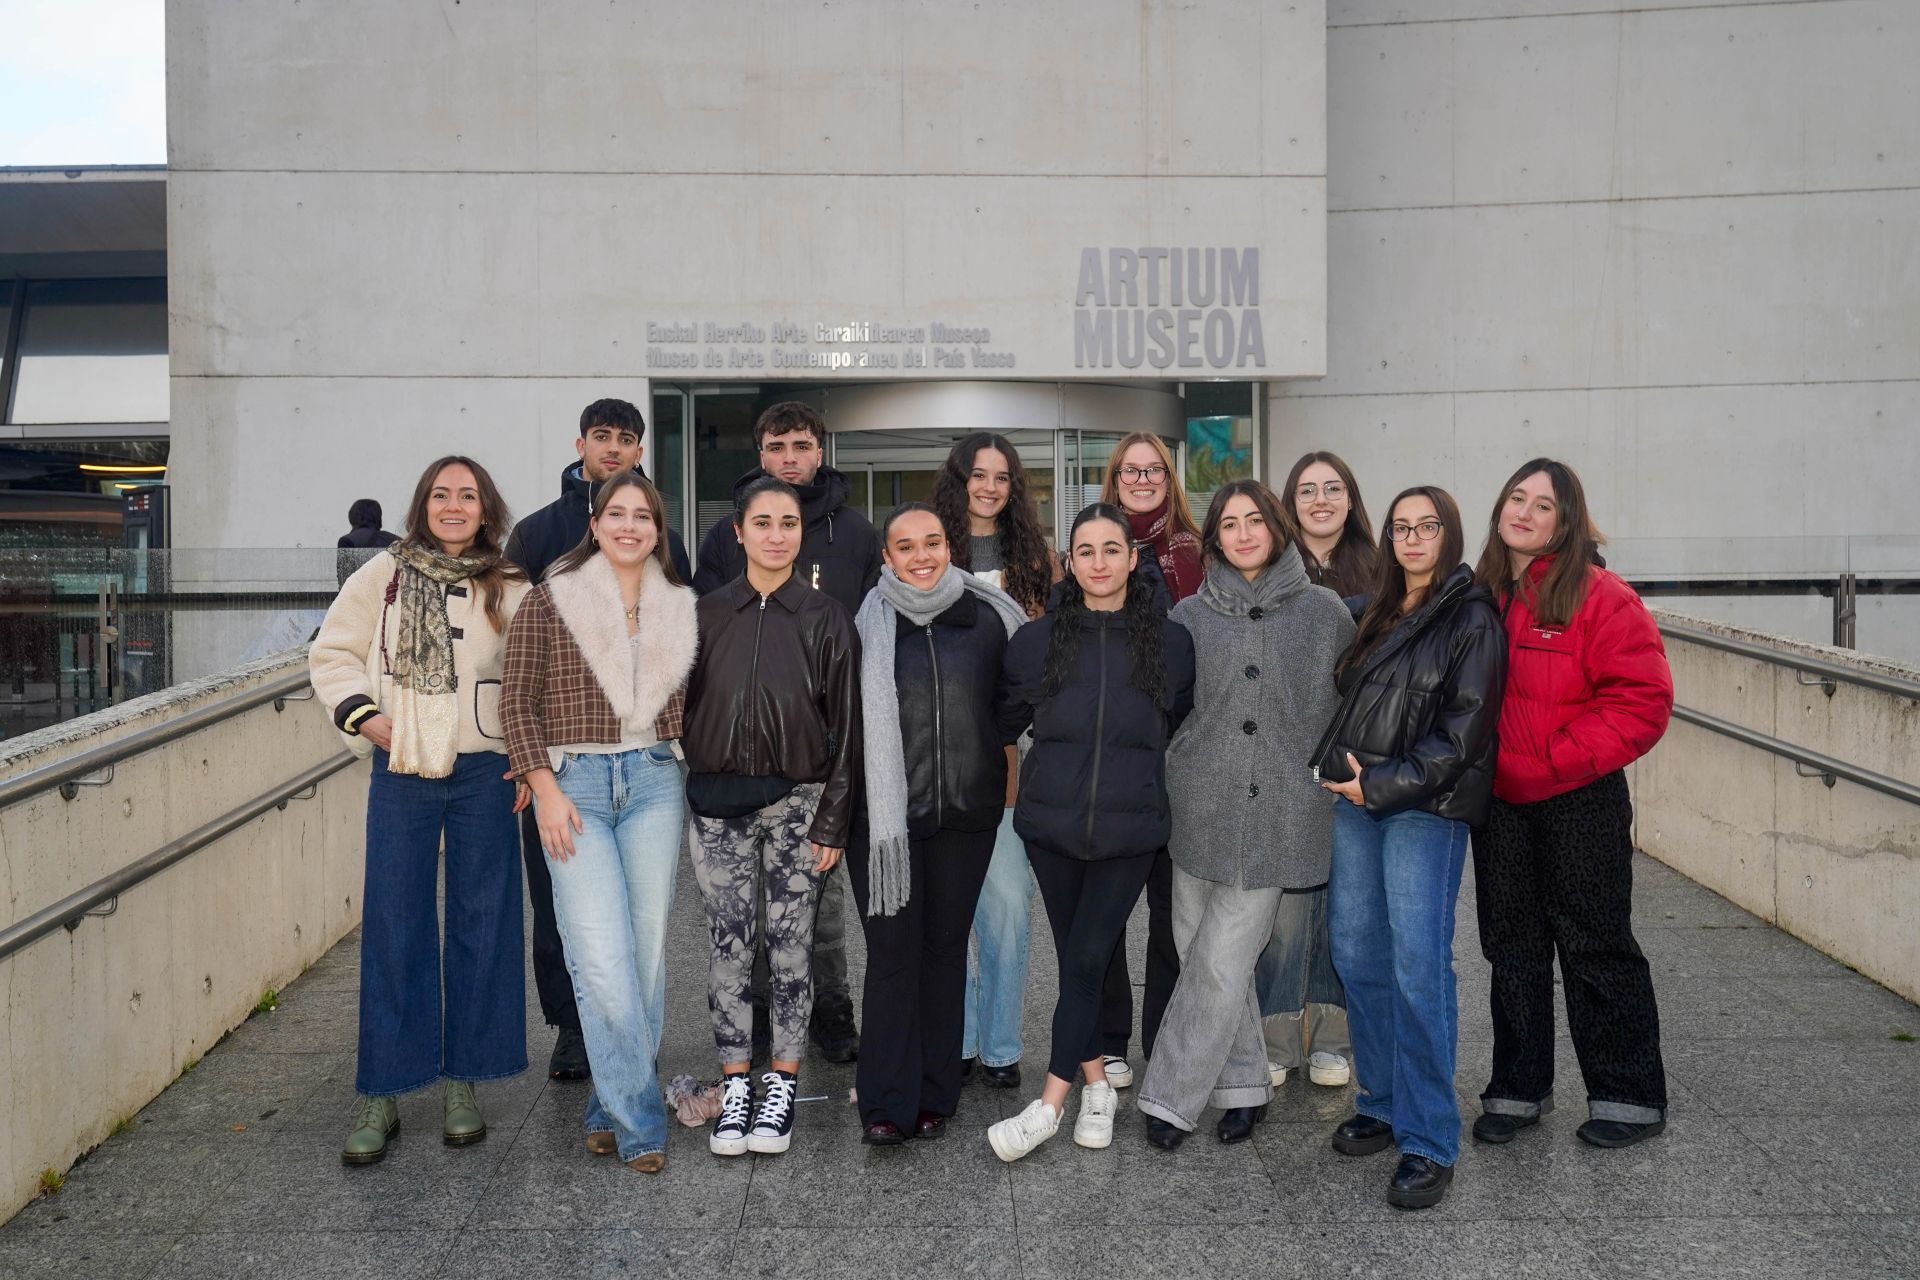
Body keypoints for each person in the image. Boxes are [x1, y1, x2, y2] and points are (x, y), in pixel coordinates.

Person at [310, 456, 530, 1166]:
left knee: (483, 920)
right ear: (422, 505)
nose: (454, 505)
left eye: (468, 495)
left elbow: (534, 675)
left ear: (486, 507)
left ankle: (463, 1081)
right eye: (442, 495)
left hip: (486, 769)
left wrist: (529, 756)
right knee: (395, 922)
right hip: (402, 765)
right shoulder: (383, 575)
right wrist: (362, 715)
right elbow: (333, 651)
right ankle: (385, 1089)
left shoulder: (514, 582)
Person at [1136, 480, 1353, 1150]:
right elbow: (1170, 706)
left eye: (1254, 520)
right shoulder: (1191, 616)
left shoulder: (1324, 612)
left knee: (1223, 964)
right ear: (1215, 540)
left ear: (1277, 526)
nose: (1243, 533)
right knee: (1195, 949)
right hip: (1197, 805)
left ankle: (1170, 1099)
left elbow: (1349, 707)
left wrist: (1325, 776)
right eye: (1228, 525)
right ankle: (1243, 1088)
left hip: (1282, 814)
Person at [1468, 458, 1674, 1151]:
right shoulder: (1482, 593)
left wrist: (1555, 761)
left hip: (1578, 800)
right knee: (1512, 949)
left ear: (1566, 521)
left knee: (1595, 945)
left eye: (1543, 505)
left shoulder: (1600, 595)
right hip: (1499, 805)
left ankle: (1628, 1096)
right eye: (1516, 498)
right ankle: (1518, 1089)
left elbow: (1643, 702)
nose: (1524, 512)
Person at [1314, 485, 1506, 1210]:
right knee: (1358, 954)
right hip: (1358, 803)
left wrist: (1382, 785)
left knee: (1418, 968)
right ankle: (1384, 1099)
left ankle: (1429, 1137)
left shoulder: (1472, 616)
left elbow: (1465, 733)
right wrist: (1356, 785)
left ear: (1450, 535)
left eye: (1428, 526)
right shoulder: (1378, 609)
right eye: (1401, 527)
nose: (1413, 538)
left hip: (1422, 807)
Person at [500, 472, 697, 1175]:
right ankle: (641, 1123)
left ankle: (606, 1103)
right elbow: (516, 702)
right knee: (599, 956)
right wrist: (543, 787)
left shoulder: (679, 603)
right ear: (594, 521)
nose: (630, 525)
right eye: (617, 513)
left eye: (643, 514)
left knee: (642, 956)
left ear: (657, 528)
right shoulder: (551, 598)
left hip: (653, 782)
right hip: (574, 783)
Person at [986, 503, 1195, 1163]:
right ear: (1069, 562)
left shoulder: (1171, 643)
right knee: (1081, 958)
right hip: (1050, 828)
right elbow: (1003, 720)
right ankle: (1099, 1085)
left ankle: (1049, 1105)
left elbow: (1179, 722)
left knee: (1082, 959)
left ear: (1133, 560)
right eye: (1086, 550)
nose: (1100, 562)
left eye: (1113, 549)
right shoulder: (1036, 641)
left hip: (1131, 832)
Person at [693, 400, 879, 1064]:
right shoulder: (722, 543)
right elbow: (712, 646)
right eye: (777, 447)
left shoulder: (857, 534)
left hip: (815, 761)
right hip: (736, 771)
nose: (790, 457)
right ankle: (759, 1026)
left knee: (814, 920)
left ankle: (830, 1013)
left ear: (819, 452)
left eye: (802, 445)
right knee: (741, 928)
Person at [681, 476, 861, 1158]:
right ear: (739, 532)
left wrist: (832, 822)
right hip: (718, 806)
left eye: (789, 523)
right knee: (729, 945)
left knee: (792, 948)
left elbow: (848, 729)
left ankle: (781, 1082)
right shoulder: (704, 615)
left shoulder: (825, 618)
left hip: (799, 805)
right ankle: (735, 1082)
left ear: (801, 534)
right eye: (763, 522)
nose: (777, 534)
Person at [848, 503, 1029, 1144]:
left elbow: (1015, 703)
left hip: (968, 815)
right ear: (886, 558)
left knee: (946, 953)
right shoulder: (863, 625)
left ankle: (935, 1093)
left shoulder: (990, 619)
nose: (921, 556)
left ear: (949, 547)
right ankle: (884, 1103)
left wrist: (981, 749)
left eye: (932, 542)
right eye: (905, 546)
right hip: (884, 825)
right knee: (894, 957)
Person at [931, 432, 1058, 1089]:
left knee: (1007, 904)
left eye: (1001, 477)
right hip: (941, 754)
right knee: (951, 908)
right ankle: (957, 1038)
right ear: (958, 480)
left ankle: (1001, 1045)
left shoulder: (1038, 560)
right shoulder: (927, 550)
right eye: (977, 475)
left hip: (1012, 750)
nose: (988, 487)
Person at [1256, 451, 1380, 1092]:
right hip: (1282, 763)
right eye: (1307, 490)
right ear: (1289, 502)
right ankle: (1278, 1032)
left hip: (1359, 761)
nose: (1321, 499)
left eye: (1334, 487)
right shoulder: (1271, 571)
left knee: (1345, 907)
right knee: (1286, 912)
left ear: (1352, 498)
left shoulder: (1384, 570)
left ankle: (1334, 1036)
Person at [1090, 432, 1202, 1088]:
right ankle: (1107, 1040)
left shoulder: (1195, 554)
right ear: (1115, 478)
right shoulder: (1090, 547)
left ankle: (1162, 1036)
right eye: (1129, 470)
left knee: (1171, 910)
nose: (1141, 478)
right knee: (1105, 908)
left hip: (1181, 755)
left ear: (1168, 477)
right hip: (1113, 756)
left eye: (1152, 469)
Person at [335, 497, 398, 586]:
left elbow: (343, 579)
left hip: (360, 596)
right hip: (390, 596)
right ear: (378, 517)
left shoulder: (347, 541)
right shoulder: (394, 539)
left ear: (352, 516)